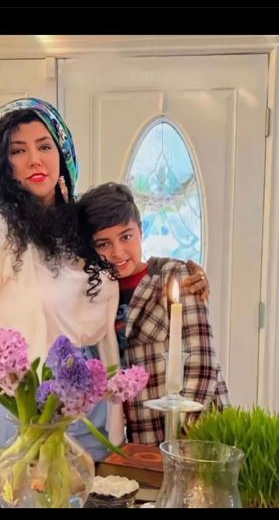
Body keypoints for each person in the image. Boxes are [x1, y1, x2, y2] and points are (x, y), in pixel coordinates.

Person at [0, 98, 208, 460]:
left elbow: (121, 261)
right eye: (18, 150)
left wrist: (179, 273)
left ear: (61, 154)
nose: (35, 159)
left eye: (45, 146)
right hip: (26, 416)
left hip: (92, 411)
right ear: (3, 165)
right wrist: (16, 389)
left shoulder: (78, 225)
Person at [77, 182, 228, 445]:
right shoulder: (93, 293)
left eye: (126, 237)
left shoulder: (174, 276)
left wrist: (181, 438)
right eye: (103, 244)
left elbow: (202, 365)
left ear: (141, 231)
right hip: (138, 437)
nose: (117, 252)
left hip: (191, 436)